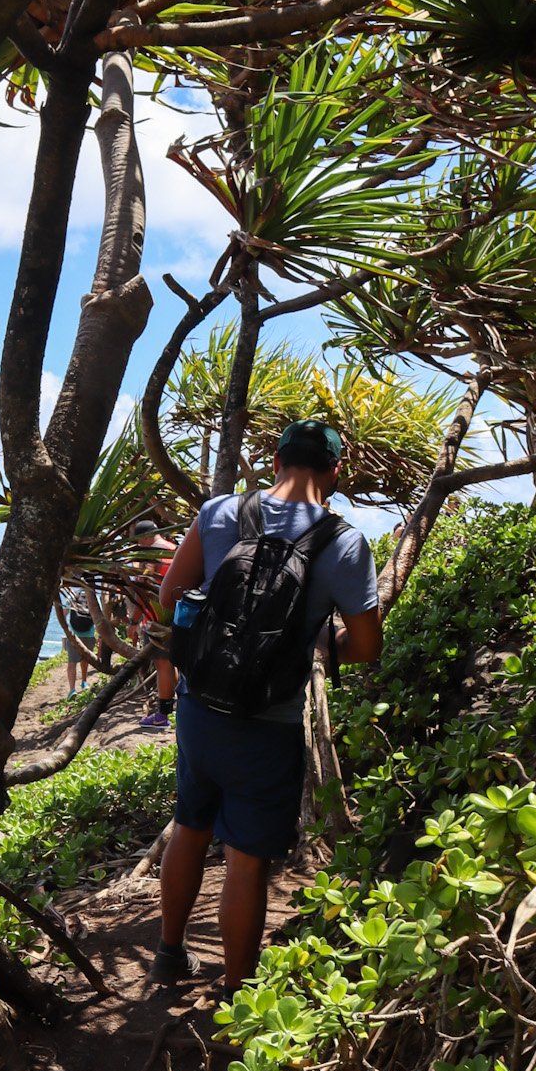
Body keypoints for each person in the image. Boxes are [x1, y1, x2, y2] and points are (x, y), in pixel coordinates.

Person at [150, 420, 383, 995]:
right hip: (268, 723)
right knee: (247, 860)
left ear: (275, 460)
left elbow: (170, 596)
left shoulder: (220, 513)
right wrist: (313, 639)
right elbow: (367, 646)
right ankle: (236, 997)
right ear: (335, 472)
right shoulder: (344, 543)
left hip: (200, 708)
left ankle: (168, 955)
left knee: (190, 826)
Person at [130, 518, 179, 730]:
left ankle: (163, 715)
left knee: (162, 665)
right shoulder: (174, 549)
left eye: (139, 541)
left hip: (158, 618)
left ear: (145, 537)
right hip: (179, 614)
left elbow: (142, 591)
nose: (138, 545)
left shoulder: (151, 555)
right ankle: (176, 708)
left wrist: (133, 621)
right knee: (172, 663)